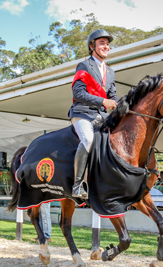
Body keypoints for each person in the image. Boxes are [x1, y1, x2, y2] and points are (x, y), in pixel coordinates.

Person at [69, 29, 118, 199]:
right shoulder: (84, 65)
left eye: (107, 43)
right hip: (82, 113)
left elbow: (113, 97)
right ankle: (77, 185)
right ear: (92, 46)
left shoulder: (110, 71)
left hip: (101, 116)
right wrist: (103, 102)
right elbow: (78, 94)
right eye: (102, 43)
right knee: (88, 139)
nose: (106, 46)